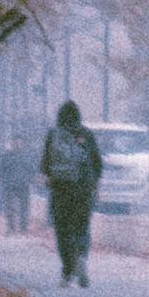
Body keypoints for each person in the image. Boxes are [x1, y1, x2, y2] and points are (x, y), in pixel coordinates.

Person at [42, 92, 104, 287]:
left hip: (60, 191)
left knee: (63, 231)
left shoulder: (53, 135)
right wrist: (94, 185)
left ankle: (67, 272)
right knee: (82, 228)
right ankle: (82, 258)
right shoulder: (86, 135)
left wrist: (51, 178)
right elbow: (98, 164)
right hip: (83, 190)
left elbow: (44, 165)